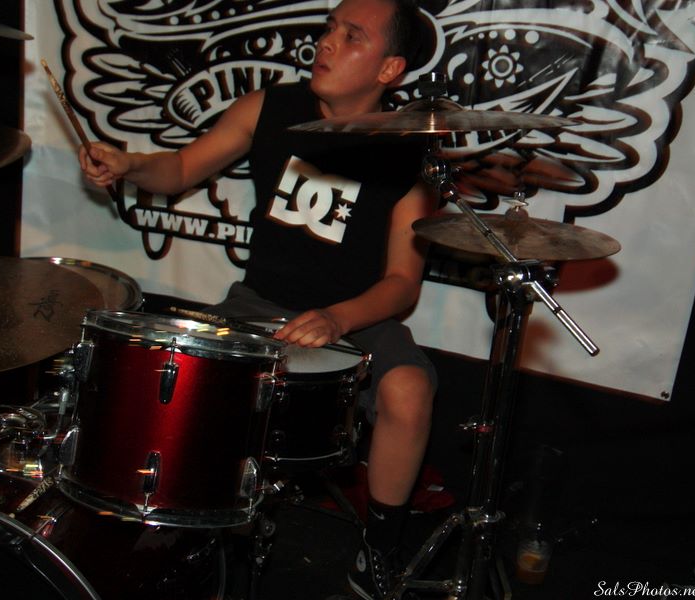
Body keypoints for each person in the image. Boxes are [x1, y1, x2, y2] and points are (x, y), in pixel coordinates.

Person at [79, 0, 437, 597]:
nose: (327, 42)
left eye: (352, 36)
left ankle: (379, 550)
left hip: (354, 317)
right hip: (256, 304)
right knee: (183, 377)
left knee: (409, 390)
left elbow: (403, 283)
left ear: (389, 69)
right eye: (329, 28)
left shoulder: (410, 152)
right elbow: (180, 169)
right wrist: (130, 163)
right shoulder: (269, 108)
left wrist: (337, 318)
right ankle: (177, 534)